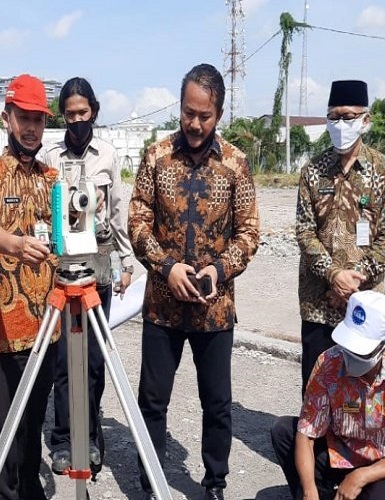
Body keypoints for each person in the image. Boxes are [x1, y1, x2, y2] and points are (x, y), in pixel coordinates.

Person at [128, 63, 260, 500]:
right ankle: (150, 478)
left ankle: (215, 481)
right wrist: (167, 268)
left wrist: (217, 271)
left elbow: (249, 232)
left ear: (218, 113)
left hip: (214, 308)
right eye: (188, 113)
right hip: (163, 306)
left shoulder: (236, 164)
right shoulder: (156, 155)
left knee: (217, 404)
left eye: (204, 115)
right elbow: (137, 221)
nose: (195, 124)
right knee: (152, 401)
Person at [0, 74, 59, 500]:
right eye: (24, 117)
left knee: (35, 419)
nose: (31, 128)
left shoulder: (54, 178)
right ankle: (3, 493)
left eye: (38, 120)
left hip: (48, 328)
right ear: (7, 117)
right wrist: (15, 245)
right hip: (3, 327)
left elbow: (72, 231)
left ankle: (28, 488)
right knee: (5, 421)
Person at [42, 77, 135, 474]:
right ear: (63, 116)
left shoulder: (109, 156)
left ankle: (92, 436)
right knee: (64, 361)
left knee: (94, 360)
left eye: (83, 113)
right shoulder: (49, 154)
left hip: (97, 266)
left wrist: (126, 263)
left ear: (93, 111)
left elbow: (117, 214)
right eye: (70, 114)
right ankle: (64, 439)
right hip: (62, 269)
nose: (77, 120)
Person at [271, 291, 385, 500]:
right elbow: (307, 434)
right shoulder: (329, 362)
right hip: (339, 454)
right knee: (284, 431)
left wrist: (362, 476)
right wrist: (309, 489)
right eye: (348, 347)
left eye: (361, 352)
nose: (351, 358)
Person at [296, 80, 385, 396]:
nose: (341, 124)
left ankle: (353, 447)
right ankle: (313, 446)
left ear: (365, 120)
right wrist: (333, 275)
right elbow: (304, 230)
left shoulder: (384, 171)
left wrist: (353, 282)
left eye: (349, 116)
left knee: (363, 391)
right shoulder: (313, 171)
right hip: (318, 302)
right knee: (316, 388)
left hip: (364, 303)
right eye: (334, 117)